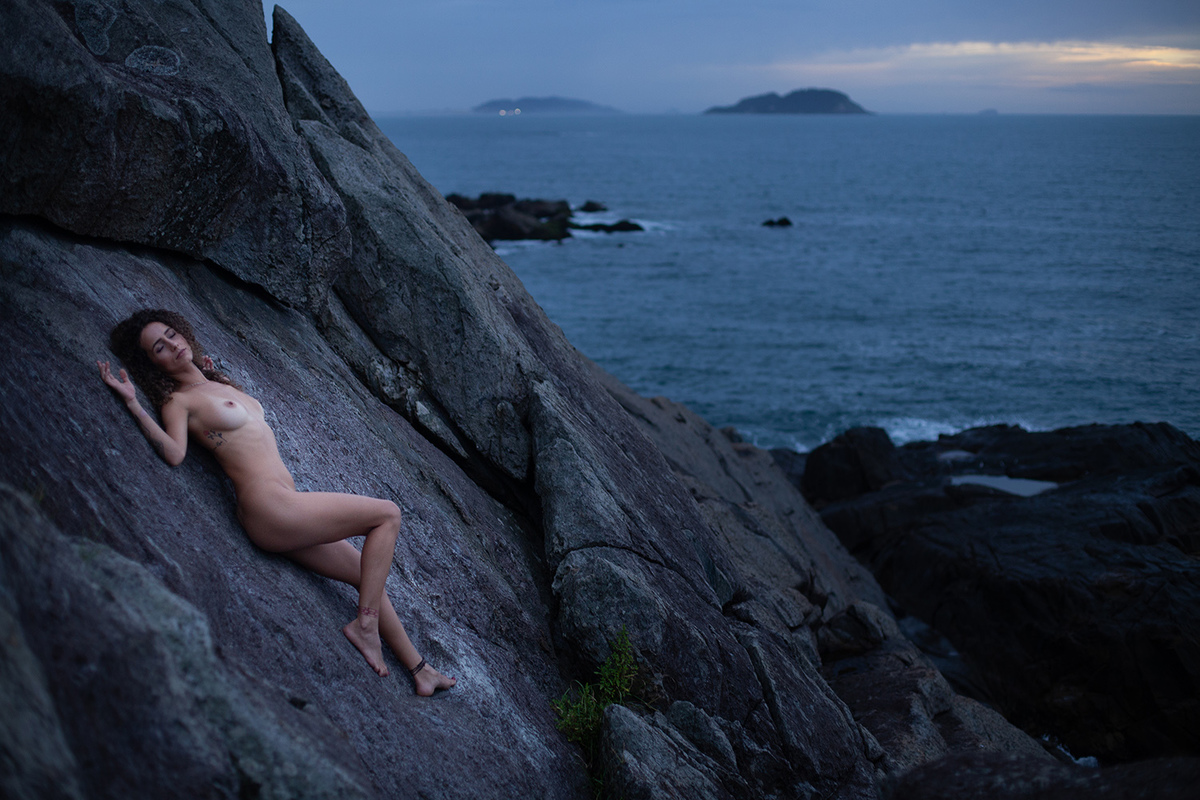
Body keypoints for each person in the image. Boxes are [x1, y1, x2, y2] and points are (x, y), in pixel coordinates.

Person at [98, 309, 455, 695]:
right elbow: (173, 453)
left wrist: (212, 376)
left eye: (172, 335)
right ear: (153, 363)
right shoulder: (178, 402)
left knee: (368, 573)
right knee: (386, 515)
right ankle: (364, 626)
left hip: (286, 505)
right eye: (159, 348)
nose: (173, 345)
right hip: (268, 508)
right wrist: (134, 404)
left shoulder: (214, 381)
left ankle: (421, 671)